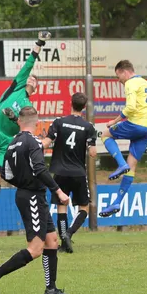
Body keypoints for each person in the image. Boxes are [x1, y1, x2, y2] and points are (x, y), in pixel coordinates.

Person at [0, 107, 72, 294]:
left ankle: (51, 289)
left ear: (19, 121)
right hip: (32, 197)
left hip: (29, 194)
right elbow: (39, 169)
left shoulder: (12, 144)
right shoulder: (33, 142)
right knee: (36, 249)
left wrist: (23, 183)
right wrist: (58, 190)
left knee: (52, 241)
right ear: (37, 123)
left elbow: (6, 174)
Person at [0, 32, 48, 231]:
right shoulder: (17, 86)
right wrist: (39, 42)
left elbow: (24, 126)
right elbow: (29, 63)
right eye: (30, 77)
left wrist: (14, 118)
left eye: (35, 80)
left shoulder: (29, 108)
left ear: (36, 88)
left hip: (6, 140)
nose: (31, 79)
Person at [98, 60, 147, 217]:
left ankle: (120, 163)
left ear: (124, 72)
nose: (119, 80)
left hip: (136, 124)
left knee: (105, 134)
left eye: (118, 76)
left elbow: (130, 107)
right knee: (132, 166)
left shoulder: (131, 83)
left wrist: (114, 121)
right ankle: (117, 202)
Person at [43, 92, 97, 253]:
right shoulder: (88, 127)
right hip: (78, 172)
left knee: (62, 206)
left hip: (60, 172)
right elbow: (92, 153)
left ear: (70, 103)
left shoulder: (59, 122)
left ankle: (64, 242)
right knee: (84, 208)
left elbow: (46, 142)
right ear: (84, 107)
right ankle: (69, 233)